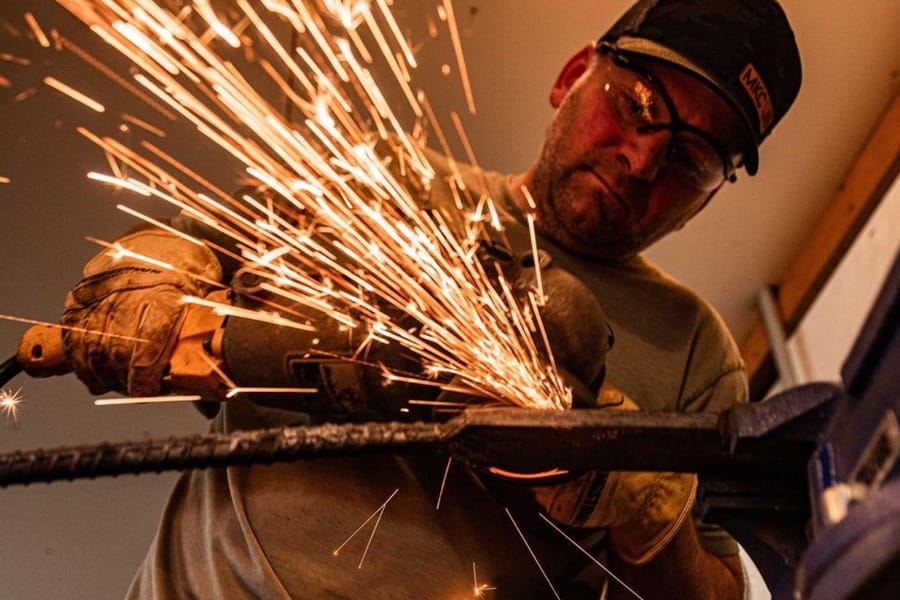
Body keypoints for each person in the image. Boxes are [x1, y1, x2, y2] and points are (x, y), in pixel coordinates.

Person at [60, 0, 802, 598]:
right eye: (639, 104)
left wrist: (651, 519)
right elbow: (176, 248)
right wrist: (152, 281)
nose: (643, 158)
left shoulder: (696, 354)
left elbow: (718, 591)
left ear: (707, 198)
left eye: (692, 159)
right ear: (575, 72)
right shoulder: (385, 183)